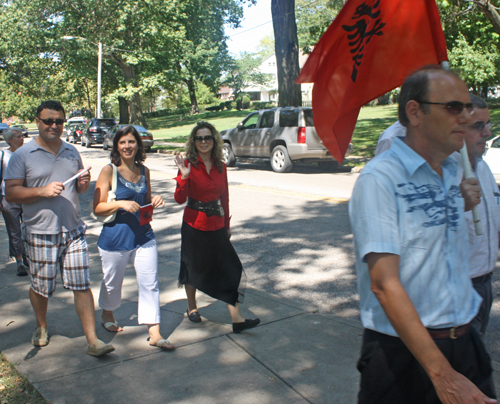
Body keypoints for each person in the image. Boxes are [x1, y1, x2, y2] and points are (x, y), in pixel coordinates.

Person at [349, 69, 496, 404]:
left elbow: (432, 255)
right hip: (403, 358)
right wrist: (443, 376)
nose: (467, 116)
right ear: (415, 112)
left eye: (468, 107)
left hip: (465, 344)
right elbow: (384, 284)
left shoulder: (452, 174)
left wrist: (458, 202)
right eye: (454, 108)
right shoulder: (380, 179)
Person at [4, 100, 114, 357]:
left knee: (81, 284)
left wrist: (84, 183)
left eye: (59, 121)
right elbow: (10, 193)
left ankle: (92, 340)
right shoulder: (22, 155)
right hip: (40, 231)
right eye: (48, 121)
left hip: (73, 230)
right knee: (41, 287)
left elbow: (78, 188)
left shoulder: (71, 150)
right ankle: (41, 326)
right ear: (38, 122)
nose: (54, 125)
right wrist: (41, 191)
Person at [93, 125, 174, 351]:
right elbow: (97, 208)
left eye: (131, 142)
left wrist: (155, 200)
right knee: (112, 282)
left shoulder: (144, 171)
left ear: (138, 145)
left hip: (143, 236)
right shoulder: (109, 171)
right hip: (115, 238)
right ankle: (107, 313)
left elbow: (145, 205)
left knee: (150, 283)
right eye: (122, 142)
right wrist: (119, 203)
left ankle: (155, 333)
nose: (127, 146)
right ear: (116, 146)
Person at [174, 121, 260, 333]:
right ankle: (192, 307)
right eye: (199, 138)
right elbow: (178, 198)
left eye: (207, 138)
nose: (204, 142)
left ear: (214, 140)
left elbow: (225, 197)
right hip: (194, 224)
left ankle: (237, 318)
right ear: (194, 142)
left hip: (217, 224)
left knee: (229, 268)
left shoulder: (220, 165)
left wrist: (227, 225)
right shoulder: (188, 164)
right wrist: (184, 177)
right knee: (193, 267)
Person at [453, 94, 499, 337]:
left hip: (485, 282)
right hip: (458, 289)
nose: (488, 133)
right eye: (478, 126)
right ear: (457, 131)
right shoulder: (443, 172)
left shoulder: (483, 167)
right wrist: (457, 203)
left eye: (488, 124)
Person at [1, 128, 29, 276]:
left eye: (22, 136)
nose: (22, 139)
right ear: (10, 140)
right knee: (14, 232)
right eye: (18, 136)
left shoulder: (26, 153)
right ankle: (20, 262)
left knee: (29, 229)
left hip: (27, 197)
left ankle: (28, 256)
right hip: (8, 199)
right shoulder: (3, 156)